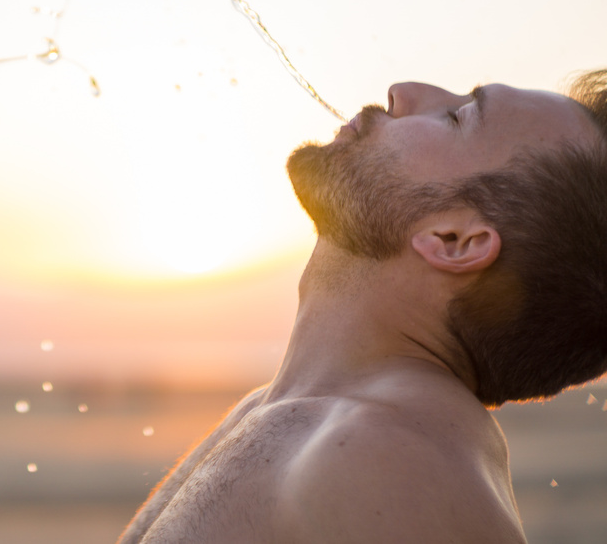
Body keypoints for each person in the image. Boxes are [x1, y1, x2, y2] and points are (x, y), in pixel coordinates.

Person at [117, 71, 607, 543]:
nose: (402, 92)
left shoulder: (391, 459)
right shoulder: (299, 415)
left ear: (454, 241)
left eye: (456, 118)